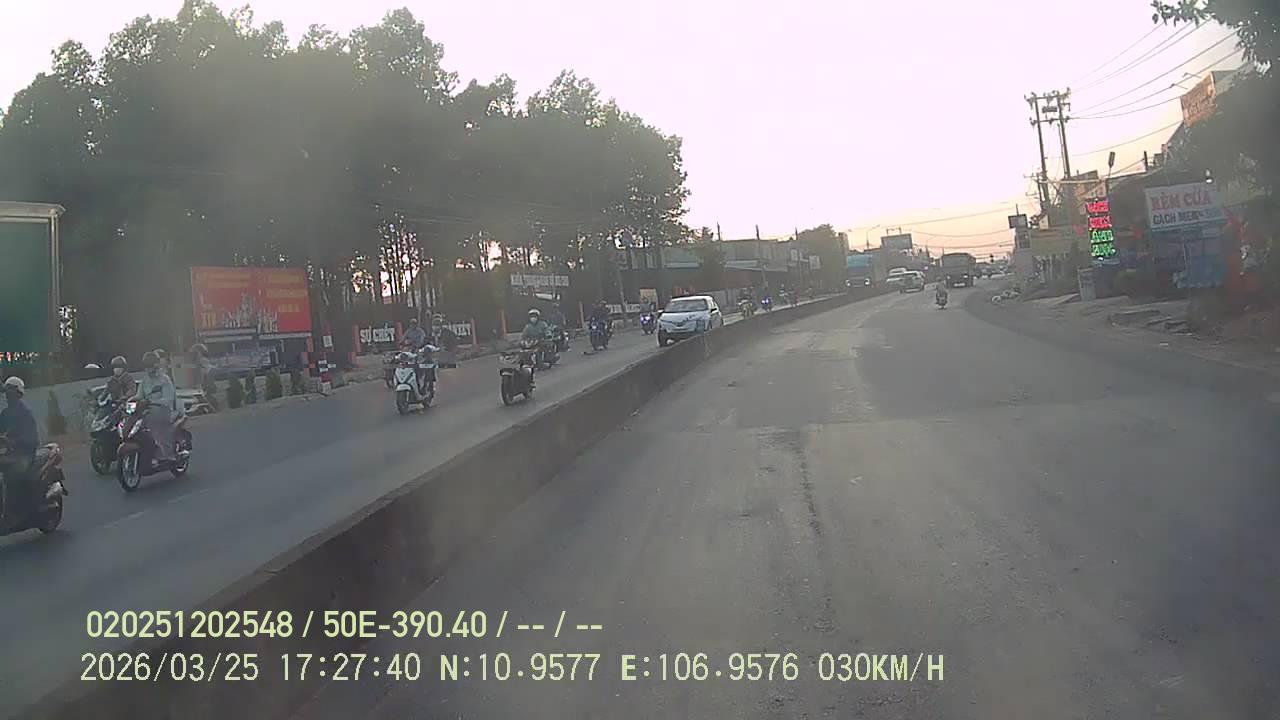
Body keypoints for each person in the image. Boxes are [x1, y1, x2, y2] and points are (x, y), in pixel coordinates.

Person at [0, 376, 39, 519]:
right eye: (7, 392)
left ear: (18, 393)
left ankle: (19, 510)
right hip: (9, 453)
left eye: (11, 392)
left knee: (14, 476)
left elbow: (31, 439)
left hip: (25, 453)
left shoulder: (25, 412)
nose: (8, 395)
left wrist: (11, 442)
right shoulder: (6, 413)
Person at [134, 351, 180, 465]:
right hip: (148, 411)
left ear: (155, 365)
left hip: (163, 410)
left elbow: (168, 399)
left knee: (157, 427)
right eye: (146, 366)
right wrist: (129, 400)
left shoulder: (164, 379)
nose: (147, 369)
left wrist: (152, 401)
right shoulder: (144, 380)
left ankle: (167, 455)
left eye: (149, 366)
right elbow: (139, 396)